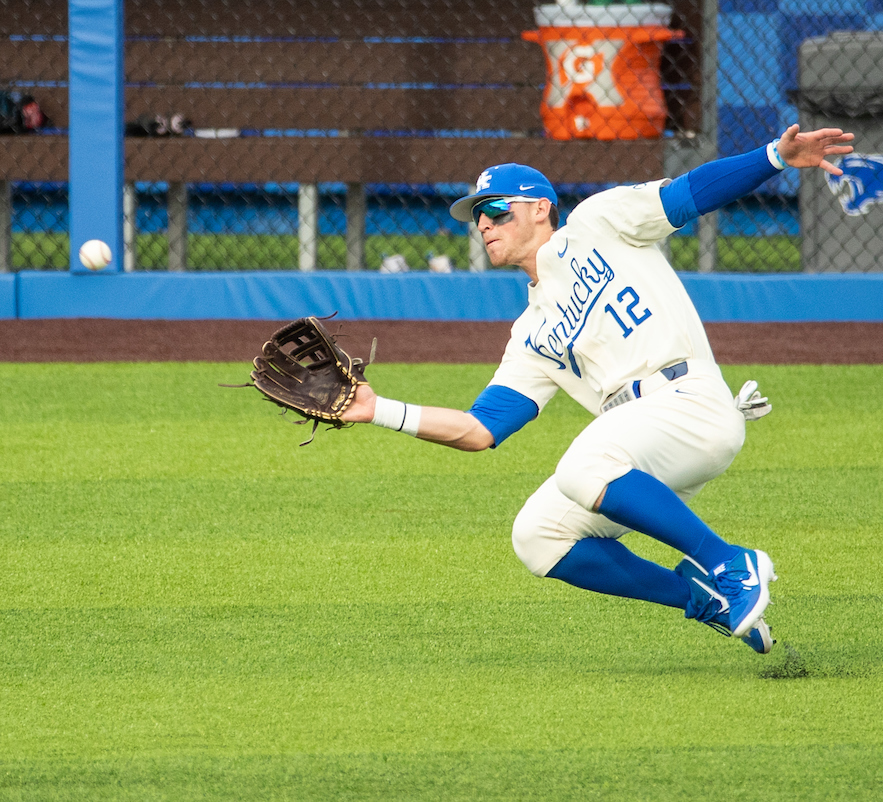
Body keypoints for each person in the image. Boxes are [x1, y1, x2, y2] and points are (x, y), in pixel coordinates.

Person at [342, 124, 854, 655]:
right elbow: (480, 430)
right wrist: (378, 409)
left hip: (689, 400)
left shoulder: (597, 223)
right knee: (537, 536)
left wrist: (774, 156)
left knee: (582, 465)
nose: (484, 225)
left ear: (540, 208)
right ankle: (708, 600)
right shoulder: (530, 333)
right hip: (641, 446)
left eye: (496, 210)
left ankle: (729, 562)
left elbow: (689, 194)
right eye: (478, 218)